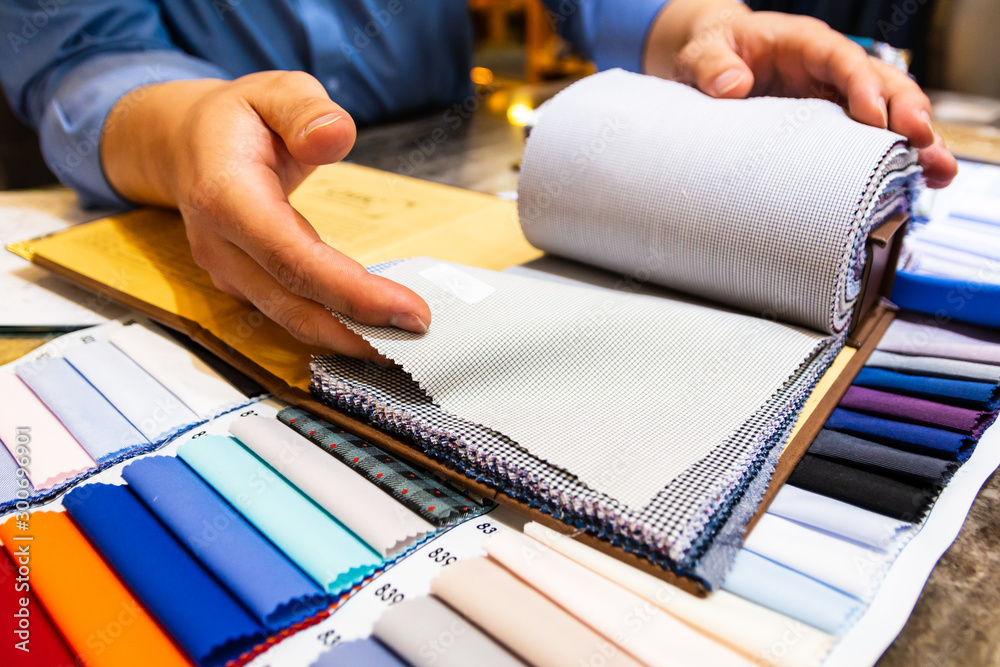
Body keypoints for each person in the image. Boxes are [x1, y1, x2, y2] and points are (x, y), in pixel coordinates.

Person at [0, 0, 957, 360]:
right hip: (192, 189)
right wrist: (184, 134)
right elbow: (80, 61)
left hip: (458, 175)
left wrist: (699, 24)